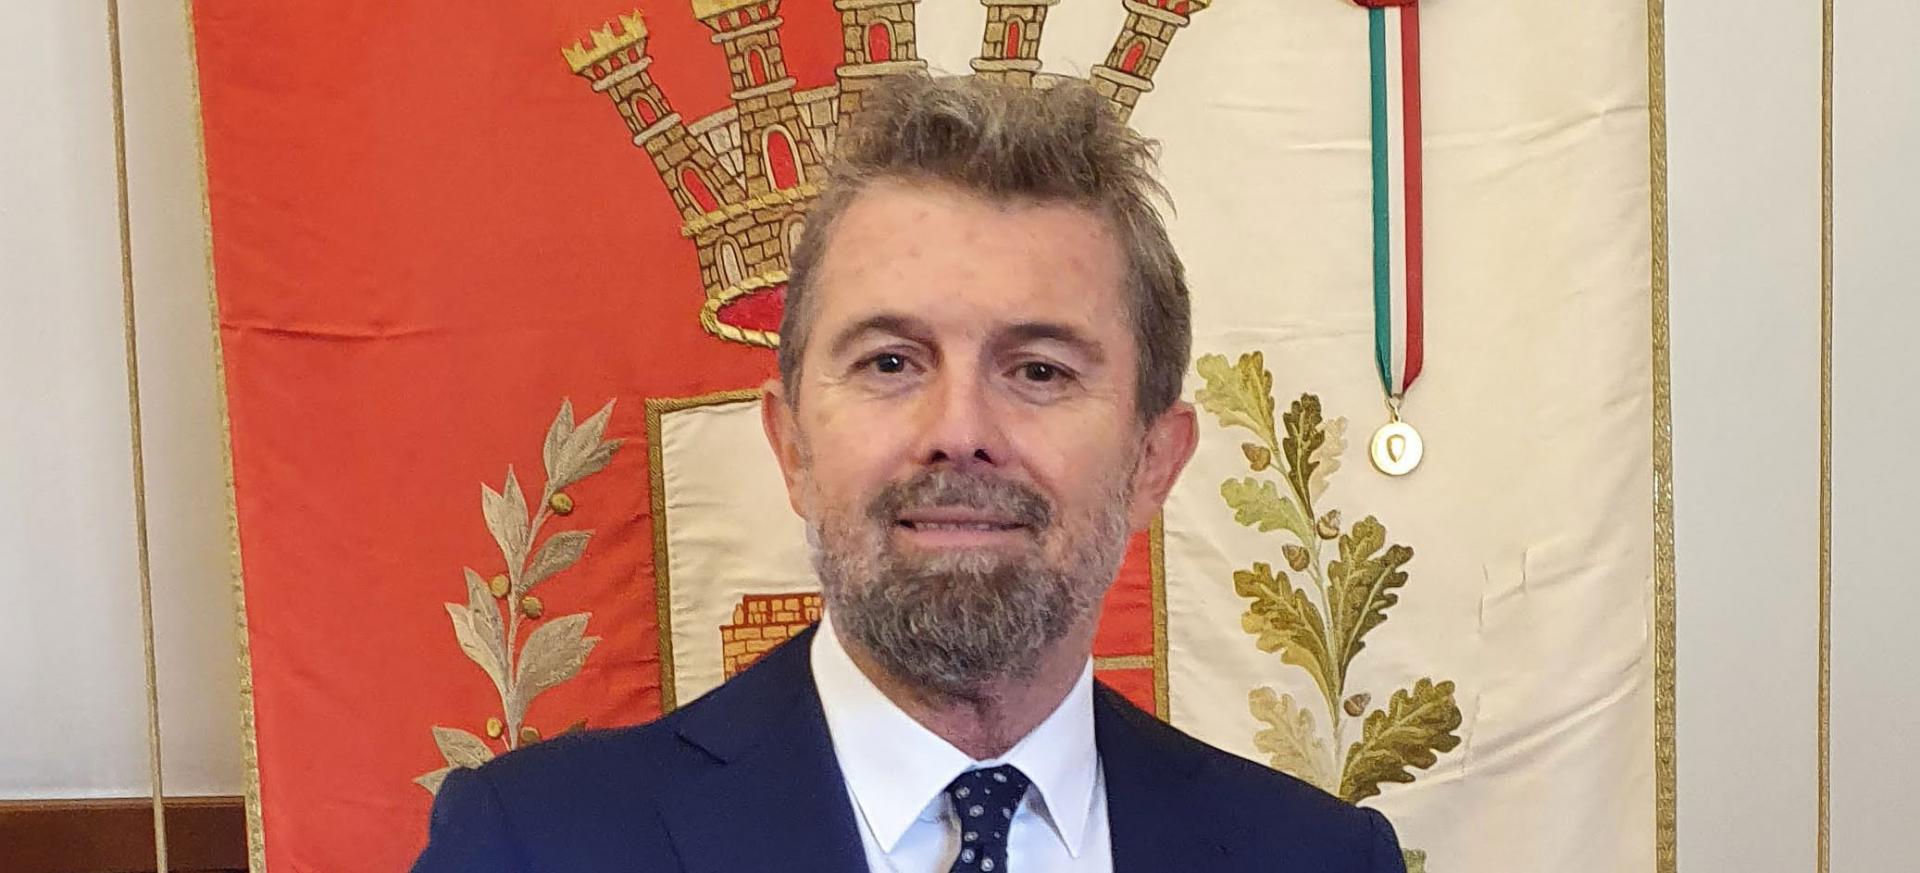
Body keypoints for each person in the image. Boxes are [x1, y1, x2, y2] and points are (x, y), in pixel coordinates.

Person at [413, 74, 1407, 873]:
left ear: (1155, 460)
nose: (959, 431)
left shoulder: (1319, 857)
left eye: (1039, 370)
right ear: (792, 446)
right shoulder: (532, 844)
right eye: (891, 362)